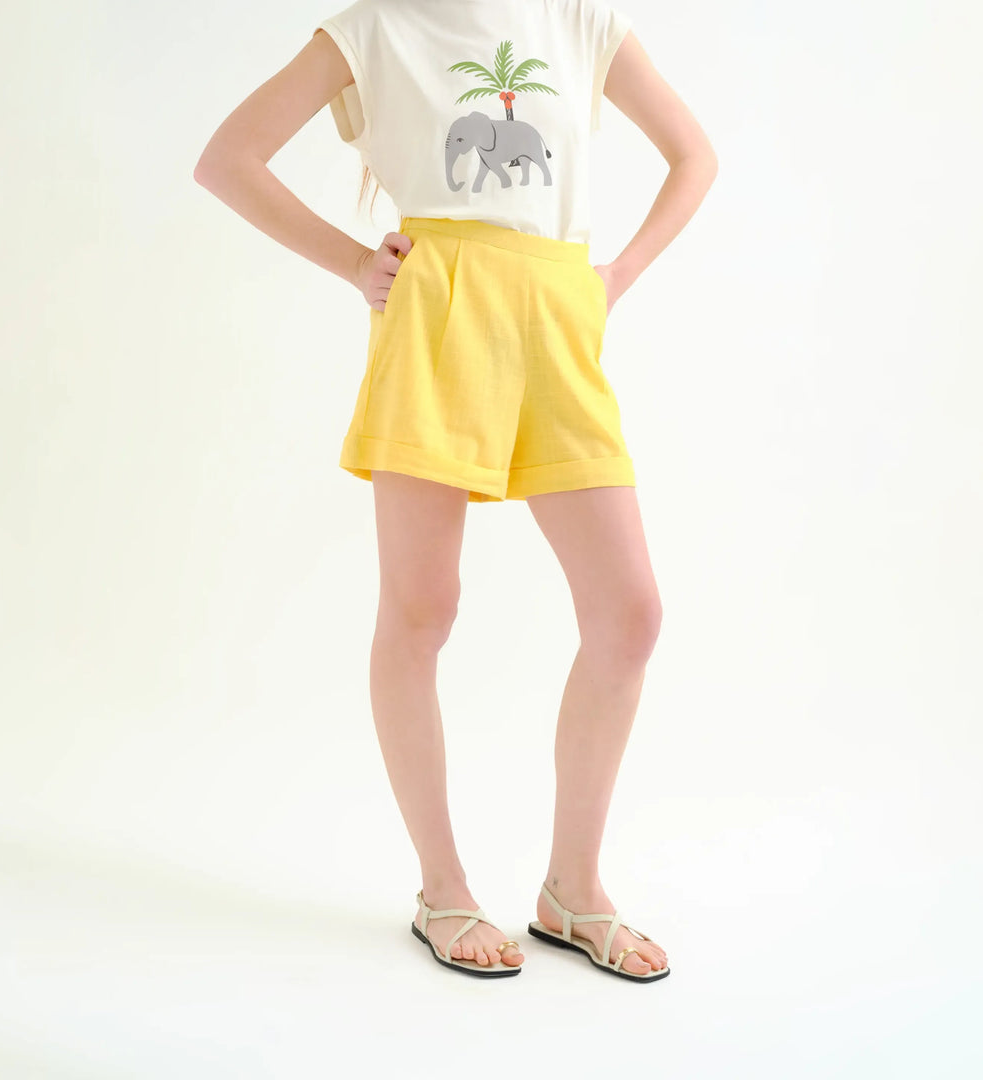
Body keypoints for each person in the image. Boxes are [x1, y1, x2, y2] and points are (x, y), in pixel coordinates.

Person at [194, 0, 717, 981]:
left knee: (630, 613)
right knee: (423, 609)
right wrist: (357, 263)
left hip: (559, 322)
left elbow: (695, 155)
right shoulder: (374, 29)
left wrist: (617, 277)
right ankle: (443, 888)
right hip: (437, 316)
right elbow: (228, 159)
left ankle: (573, 890)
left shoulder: (579, 20)